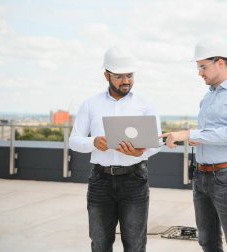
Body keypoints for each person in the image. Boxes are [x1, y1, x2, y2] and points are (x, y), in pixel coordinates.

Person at [161, 39, 227, 252]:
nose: (200, 73)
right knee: (207, 241)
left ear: (221, 63)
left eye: (203, 67)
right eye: (198, 67)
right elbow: (210, 134)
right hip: (202, 176)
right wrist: (193, 138)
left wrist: (188, 133)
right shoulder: (208, 97)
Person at [69, 46, 162, 252]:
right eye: (119, 76)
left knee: (135, 245)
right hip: (100, 182)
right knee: (100, 244)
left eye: (129, 75)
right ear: (106, 75)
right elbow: (74, 141)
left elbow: (156, 142)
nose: (125, 80)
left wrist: (141, 152)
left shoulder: (145, 103)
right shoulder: (90, 104)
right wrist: (94, 142)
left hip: (134, 180)